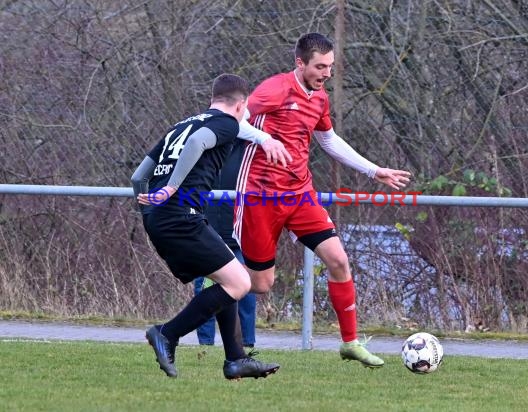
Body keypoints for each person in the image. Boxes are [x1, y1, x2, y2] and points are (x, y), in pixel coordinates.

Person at [233, 33, 412, 368]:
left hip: (300, 195)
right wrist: (265, 139)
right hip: (261, 195)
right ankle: (212, 276)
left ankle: (350, 343)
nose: (326, 73)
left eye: (330, 66)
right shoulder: (274, 88)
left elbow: (328, 140)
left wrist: (375, 171)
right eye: (319, 66)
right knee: (260, 284)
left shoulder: (319, 98)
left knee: (338, 260)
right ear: (300, 63)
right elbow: (233, 120)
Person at [130, 73, 283, 380]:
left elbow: (138, 176)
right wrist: (173, 188)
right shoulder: (227, 123)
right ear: (240, 105)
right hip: (180, 214)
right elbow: (200, 144)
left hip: (161, 218)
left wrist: (149, 209)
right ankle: (167, 334)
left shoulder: (182, 125)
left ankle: (236, 360)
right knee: (240, 283)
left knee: (224, 278)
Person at [193, 139, 256, 348]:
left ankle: (246, 344)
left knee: (245, 291)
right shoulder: (203, 147)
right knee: (204, 288)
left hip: (239, 235)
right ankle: (205, 344)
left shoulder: (248, 149)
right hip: (207, 235)